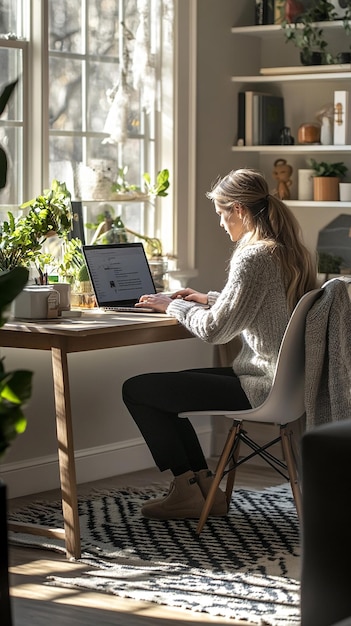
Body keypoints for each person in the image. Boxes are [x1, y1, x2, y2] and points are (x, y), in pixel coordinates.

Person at [122, 168, 317, 521]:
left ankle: (189, 490)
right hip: (285, 384)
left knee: (139, 390)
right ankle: (200, 488)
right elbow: (267, 306)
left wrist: (173, 305)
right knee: (165, 391)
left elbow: (215, 332)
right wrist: (209, 297)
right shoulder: (290, 251)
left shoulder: (253, 256)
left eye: (221, 213)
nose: (221, 223)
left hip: (260, 386)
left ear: (239, 210)